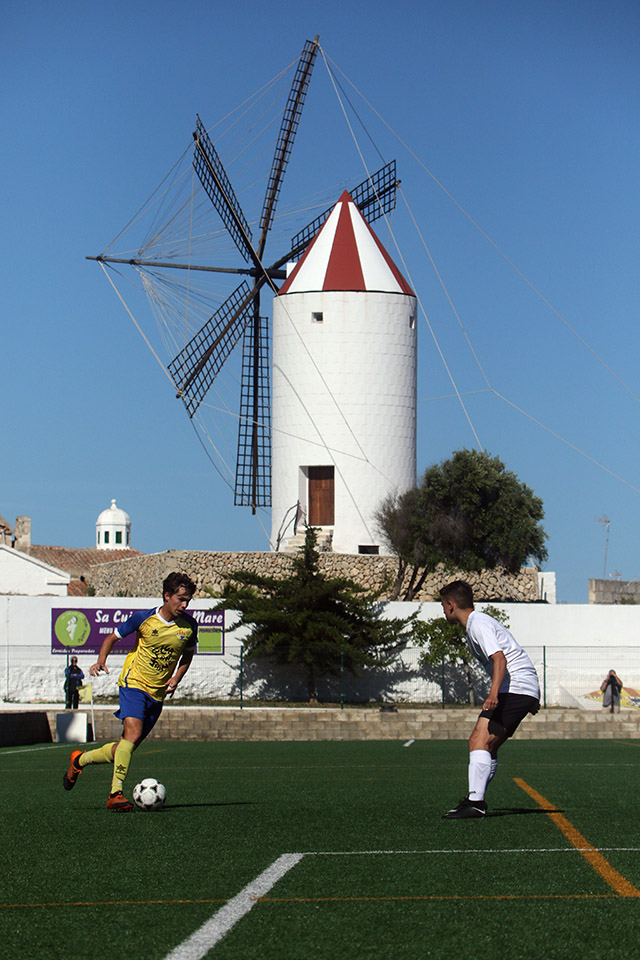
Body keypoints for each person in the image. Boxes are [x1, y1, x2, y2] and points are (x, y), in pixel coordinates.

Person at [62, 571, 198, 812]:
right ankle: (115, 793)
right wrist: (100, 660)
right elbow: (111, 638)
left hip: (157, 695)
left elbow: (187, 654)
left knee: (125, 746)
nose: (184, 604)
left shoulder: (189, 626)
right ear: (167, 596)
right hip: (133, 683)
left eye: (187, 600)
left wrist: (177, 677)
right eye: (180, 599)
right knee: (132, 735)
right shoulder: (143, 619)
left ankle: (79, 760)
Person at [439, 580, 540, 819]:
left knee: (478, 740)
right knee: (487, 745)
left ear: (451, 605)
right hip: (521, 688)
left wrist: (493, 694)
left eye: (443, 605)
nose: (443, 610)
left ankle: (475, 802)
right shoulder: (476, 623)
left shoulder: (478, 624)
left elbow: (500, 658)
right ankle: (475, 799)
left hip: (514, 688)